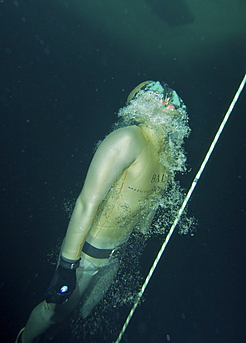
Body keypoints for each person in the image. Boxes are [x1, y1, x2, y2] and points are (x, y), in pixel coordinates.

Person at [16, 80, 190, 343]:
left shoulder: (168, 156)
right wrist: (67, 266)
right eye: (156, 92)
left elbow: (146, 217)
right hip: (86, 256)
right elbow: (87, 201)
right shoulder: (128, 138)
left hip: (114, 257)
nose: (168, 98)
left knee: (83, 313)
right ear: (140, 103)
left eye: (171, 96)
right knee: (54, 312)